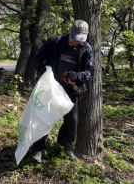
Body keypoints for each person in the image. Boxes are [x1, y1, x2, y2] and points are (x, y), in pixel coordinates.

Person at [31, 20, 95, 162]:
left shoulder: (86, 48)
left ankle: (66, 146)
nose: (76, 42)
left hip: (71, 90)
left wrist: (78, 76)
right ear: (69, 32)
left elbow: (90, 70)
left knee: (72, 121)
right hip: (50, 87)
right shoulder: (55, 42)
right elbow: (38, 56)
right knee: (43, 117)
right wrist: (40, 67)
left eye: (80, 39)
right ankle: (38, 149)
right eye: (74, 38)